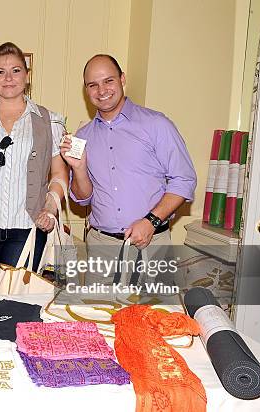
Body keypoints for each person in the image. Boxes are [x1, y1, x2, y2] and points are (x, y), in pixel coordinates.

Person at [61, 54, 196, 286]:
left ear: (122, 79)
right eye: (93, 85)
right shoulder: (82, 137)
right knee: (99, 318)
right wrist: (79, 168)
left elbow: (184, 180)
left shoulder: (156, 124)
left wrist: (150, 221)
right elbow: (82, 199)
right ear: (86, 90)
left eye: (108, 81)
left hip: (151, 244)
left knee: (153, 319)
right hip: (102, 249)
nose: (101, 90)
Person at [0, 42, 69, 286]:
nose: (8, 78)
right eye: (0, 72)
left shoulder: (49, 121)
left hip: (27, 228)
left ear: (27, 76)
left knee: (17, 301)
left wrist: (50, 207)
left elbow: (60, 174)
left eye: (16, 70)